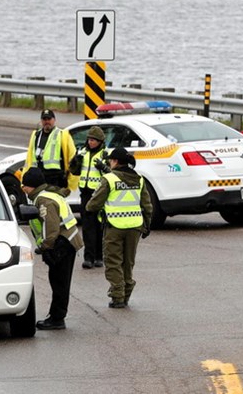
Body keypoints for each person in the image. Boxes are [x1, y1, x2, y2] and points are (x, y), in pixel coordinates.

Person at [85, 147, 152, 308]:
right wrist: (147, 225)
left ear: (115, 161)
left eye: (110, 160)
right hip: (135, 226)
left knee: (113, 262)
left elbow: (91, 206)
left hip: (114, 227)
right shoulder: (140, 179)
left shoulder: (109, 179)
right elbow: (147, 206)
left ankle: (117, 297)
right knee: (128, 262)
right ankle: (126, 294)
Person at [22, 167, 83, 330]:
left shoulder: (44, 200)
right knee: (60, 280)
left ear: (32, 186)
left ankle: (57, 318)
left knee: (59, 282)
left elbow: (52, 228)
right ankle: (56, 315)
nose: (23, 189)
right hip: (68, 241)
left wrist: (46, 247)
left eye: (25, 186)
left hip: (63, 243)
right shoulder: (50, 193)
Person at [69, 126, 109, 269]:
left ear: (100, 141)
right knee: (87, 226)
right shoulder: (83, 152)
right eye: (90, 139)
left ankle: (99, 257)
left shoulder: (105, 155)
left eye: (94, 140)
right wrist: (75, 162)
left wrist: (103, 167)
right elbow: (74, 171)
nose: (91, 142)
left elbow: (111, 175)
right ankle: (88, 257)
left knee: (99, 226)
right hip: (85, 193)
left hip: (98, 194)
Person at [24, 109, 77, 191]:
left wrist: (70, 184)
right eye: (44, 119)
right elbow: (29, 160)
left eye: (49, 119)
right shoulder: (36, 136)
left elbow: (73, 160)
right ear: (41, 121)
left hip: (56, 181)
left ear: (54, 120)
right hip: (39, 181)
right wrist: (24, 182)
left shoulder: (62, 135)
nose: (47, 122)